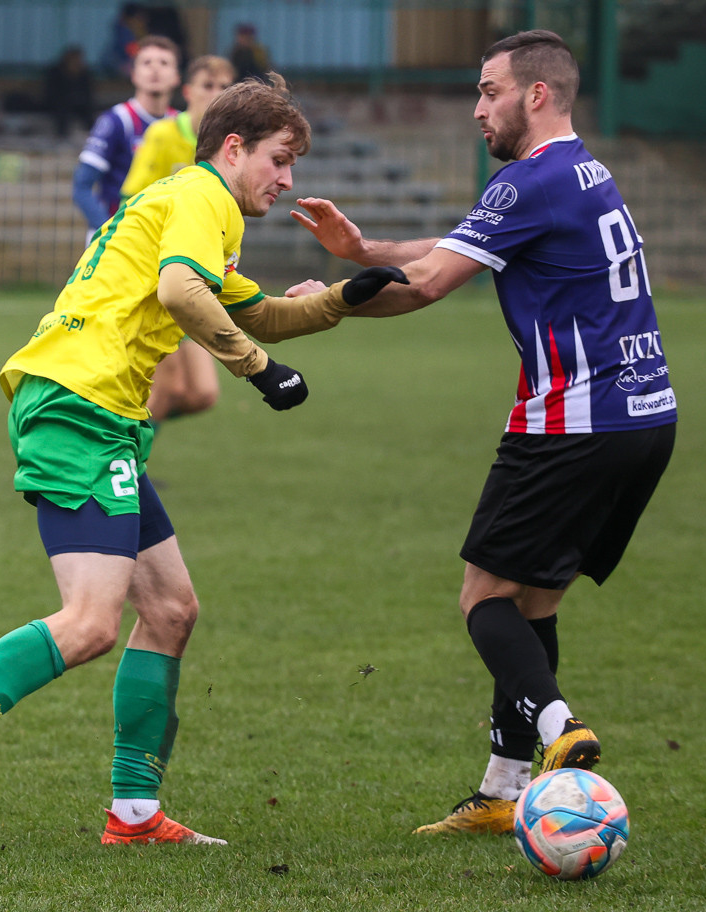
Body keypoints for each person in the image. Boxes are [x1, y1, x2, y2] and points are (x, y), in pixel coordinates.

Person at [0, 72, 407, 849]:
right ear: (234, 147)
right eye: (280, 159)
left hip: (102, 416)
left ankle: (134, 815)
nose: (289, 180)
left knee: (171, 611)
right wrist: (258, 370)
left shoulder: (199, 208)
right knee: (89, 623)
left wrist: (344, 299)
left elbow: (256, 312)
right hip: (77, 406)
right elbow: (186, 292)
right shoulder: (201, 197)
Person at [291, 30, 677, 835]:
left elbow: (429, 284)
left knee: (482, 598)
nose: (477, 108)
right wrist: (366, 251)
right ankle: (503, 793)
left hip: (572, 420)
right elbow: (461, 247)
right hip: (645, 419)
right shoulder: (582, 172)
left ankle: (557, 730)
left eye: (490, 91)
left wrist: (321, 304)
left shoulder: (529, 178)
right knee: (532, 603)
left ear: (537, 95)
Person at [120, 54, 236, 425]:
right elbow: (132, 203)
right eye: (207, 85)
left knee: (202, 394)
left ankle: (128, 440)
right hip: (158, 279)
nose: (215, 94)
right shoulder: (164, 135)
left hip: (196, 280)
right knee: (165, 387)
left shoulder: (230, 150)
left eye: (224, 88)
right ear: (187, 91)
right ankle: (128, 471)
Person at [73, 34, 181, 245]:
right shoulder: (116, 120)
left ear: (177, 76)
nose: (155, 69)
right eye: (146, 62)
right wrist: (110, 230)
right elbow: (82, 186)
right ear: (133, 74)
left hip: (162, 240)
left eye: (164, 63)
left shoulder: (180, 125)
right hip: (114, 239)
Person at [44, 45, 95, 139]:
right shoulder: (55, 72)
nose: (76, 61)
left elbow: (87, 94)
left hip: (79, 105)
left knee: (88, 111)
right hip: (58, 105)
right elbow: (52, 94)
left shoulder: (84, 74)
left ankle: (92, 135)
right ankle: (61, 137)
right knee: (62, 111)